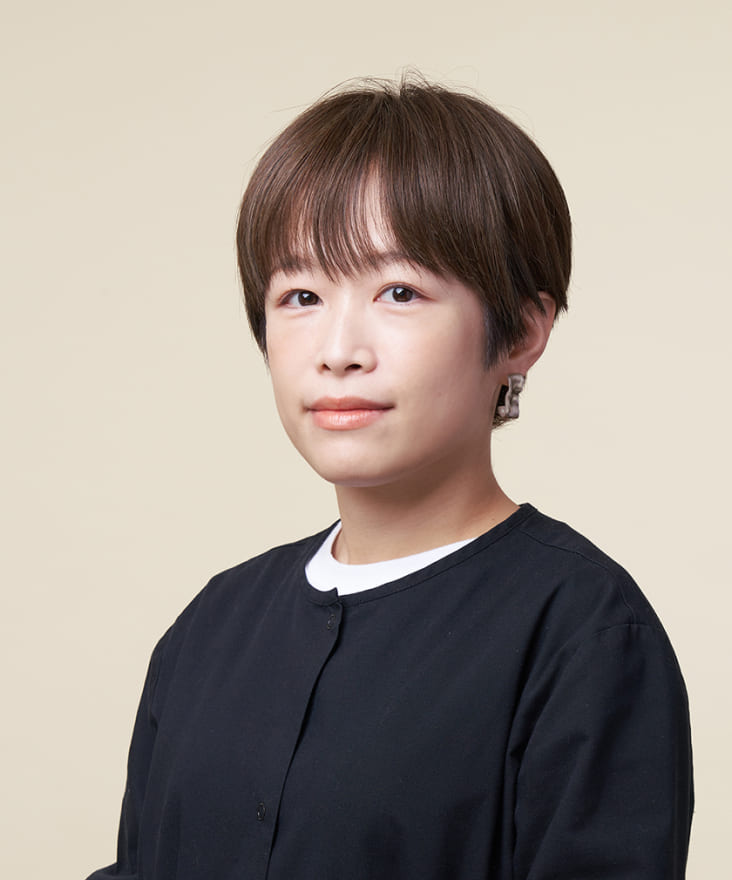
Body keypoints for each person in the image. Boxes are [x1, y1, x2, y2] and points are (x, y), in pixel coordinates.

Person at [87, 76, 693, 880]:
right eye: (300, 295)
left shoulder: (584, 635)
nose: (338, 351)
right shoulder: (211, 628)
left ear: (522, 330)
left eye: (399, 291)